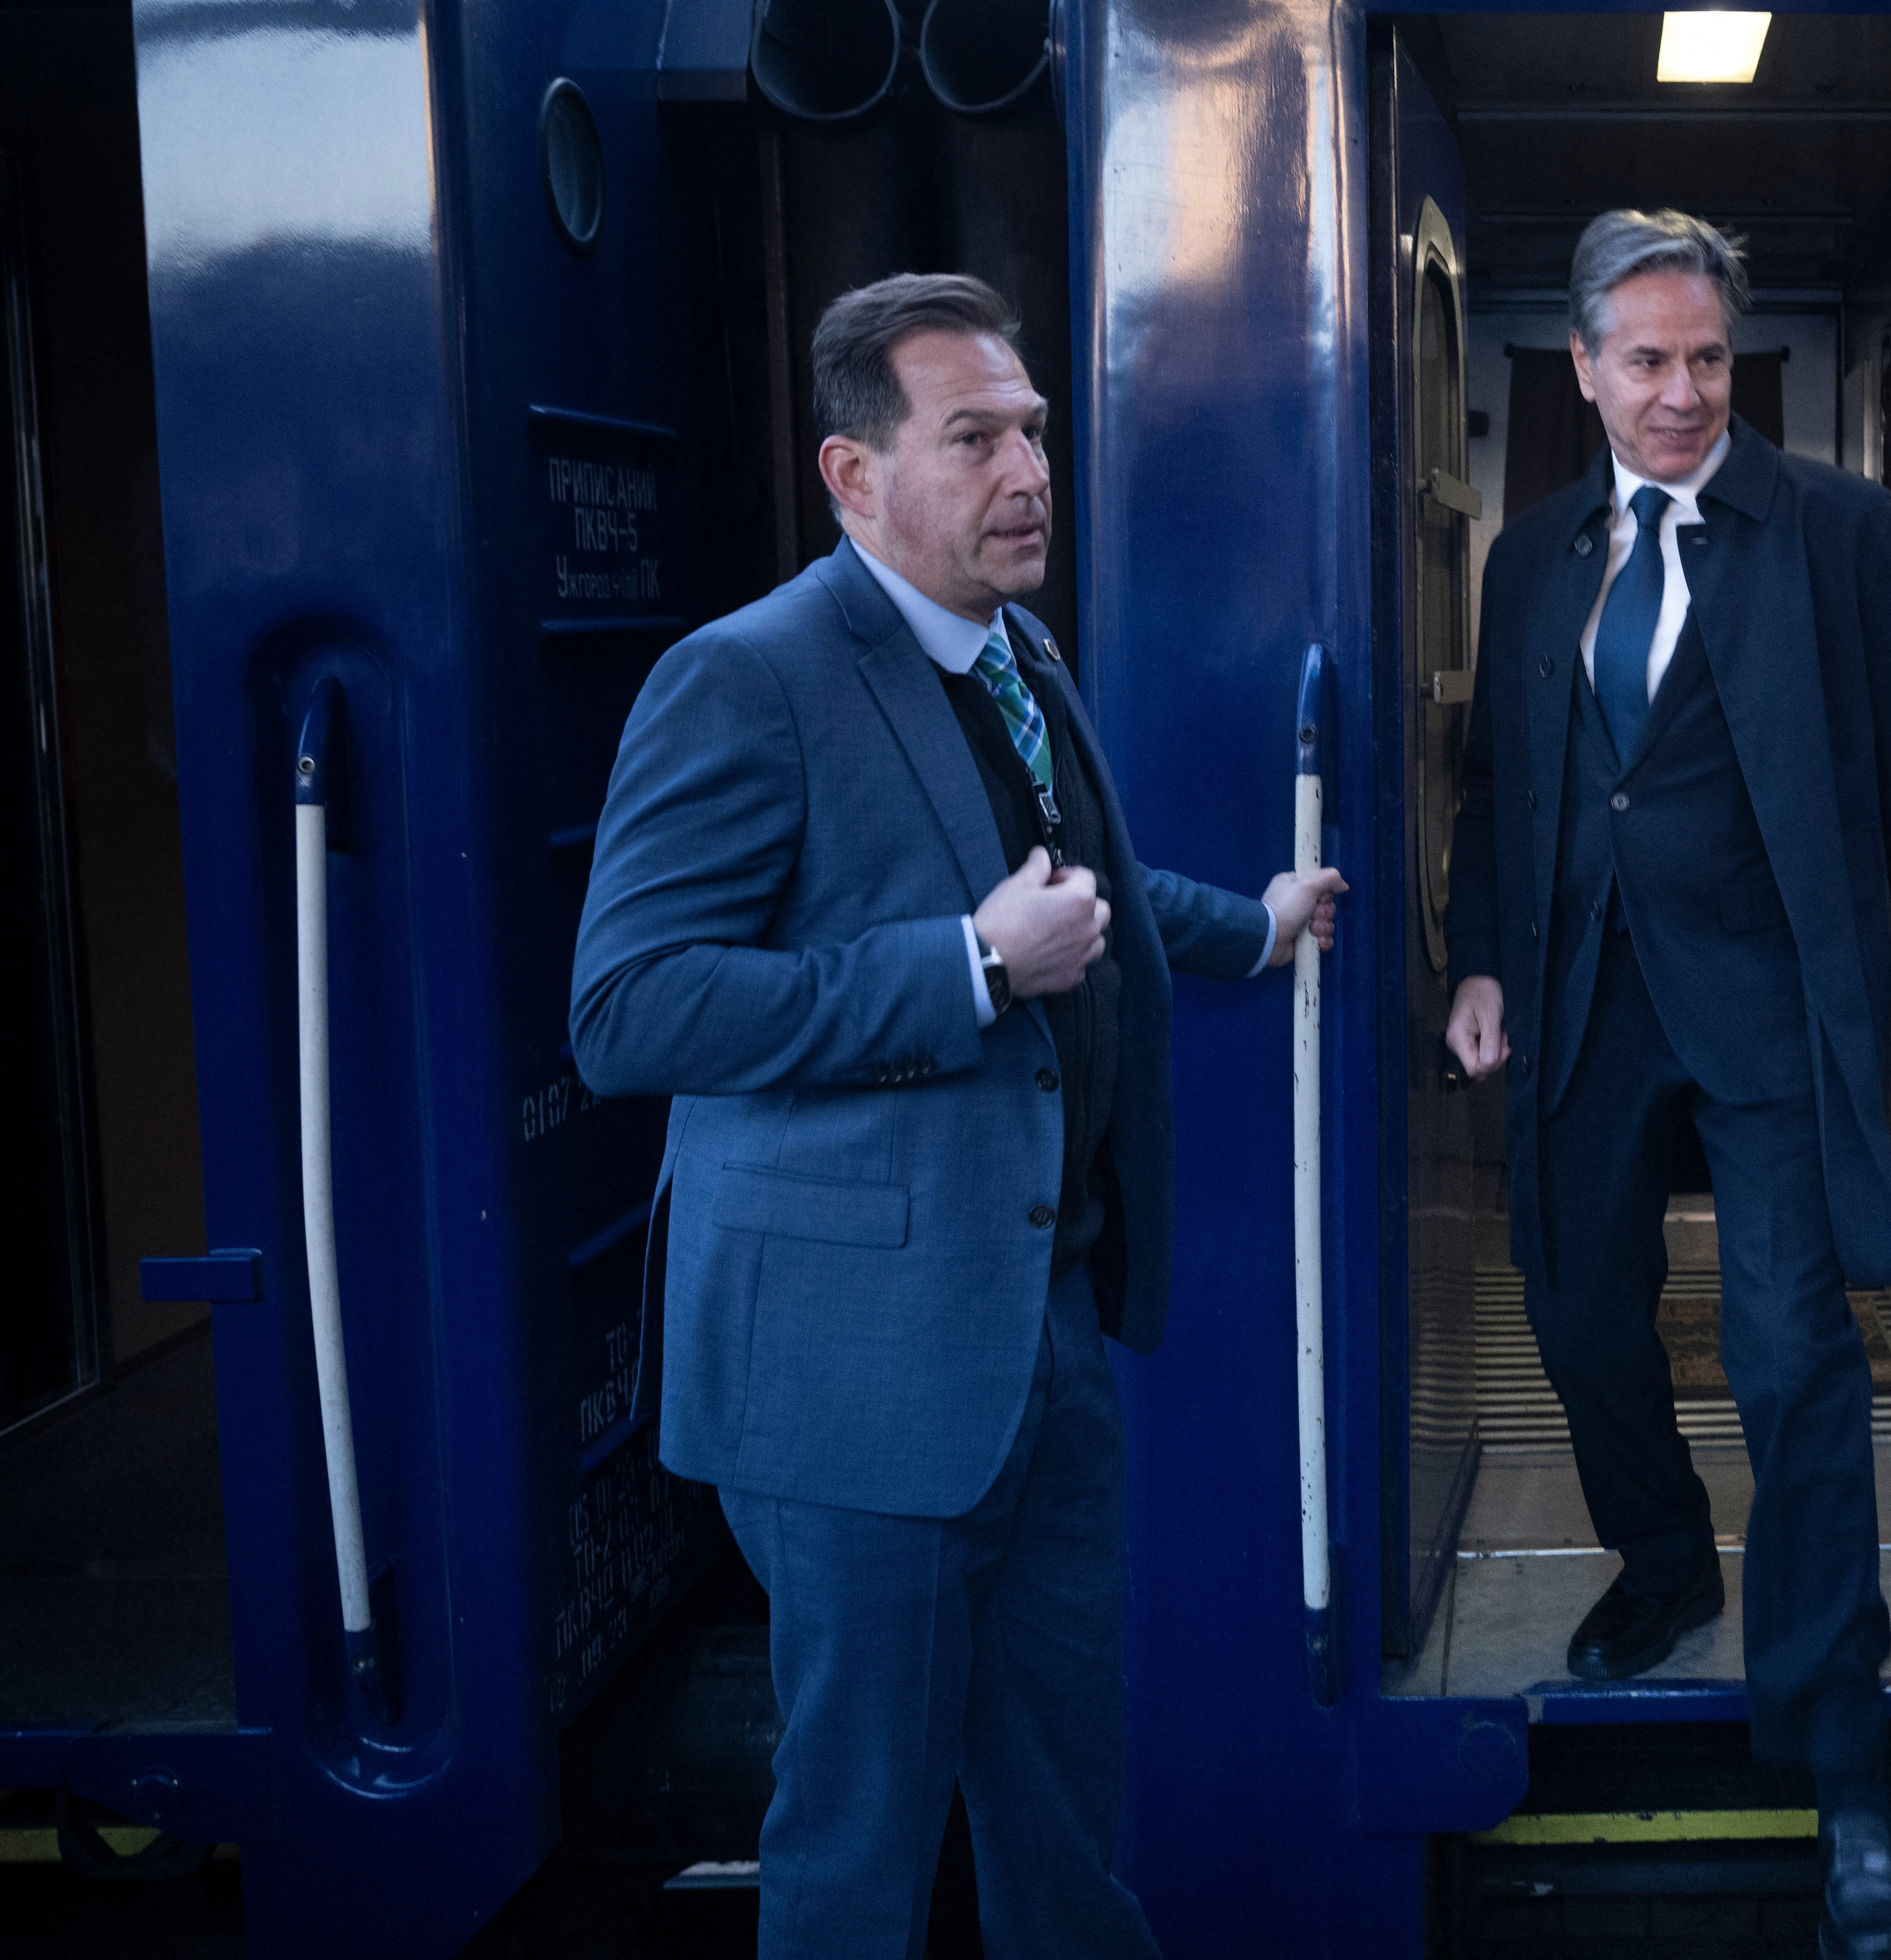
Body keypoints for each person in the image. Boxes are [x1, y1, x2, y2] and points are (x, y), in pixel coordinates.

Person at [570, 272, 1344, 1958]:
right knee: (860, 1844)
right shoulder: (745, 678)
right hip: (856, 1374)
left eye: (1036, 433)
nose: (1029, 474)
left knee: (1063, 1817)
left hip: (1043, 1337)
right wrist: (967, 969)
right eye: (975, 438)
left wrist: (1257, 927)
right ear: (854, 476)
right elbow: (628, 1010)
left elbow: (1094, 890)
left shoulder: (1013, 651)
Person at [1441, 210, 1891, 1960]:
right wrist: (1474, 957)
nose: (1683, 393)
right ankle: (1668, 1562)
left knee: (1790, 1352)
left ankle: (1846, 1766)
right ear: (1583, 370)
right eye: (1648, 361)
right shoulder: (1533, 555)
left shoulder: (1835, 531)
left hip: (1779, 1011)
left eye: (1708, 360)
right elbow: (1500, 788)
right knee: (1577, 1308)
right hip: (1587, 998)